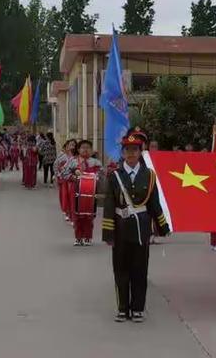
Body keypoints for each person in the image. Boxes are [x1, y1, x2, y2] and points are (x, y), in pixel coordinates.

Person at [103, 130, 170, 323]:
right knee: (120, 270)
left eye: (134, 150)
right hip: (121, 229)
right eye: (127, 150)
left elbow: (154, 204)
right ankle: (123, 308)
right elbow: (109, 205)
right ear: (122, 153)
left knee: (140, 270)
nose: (131, 154)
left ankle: (138, 308)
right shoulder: (115, 175)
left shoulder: (149, 176)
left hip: (142, 229)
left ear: (140, 152)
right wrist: (108, 233)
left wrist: (162, 227)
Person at [62, 140, 102, 246]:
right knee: (77, 215)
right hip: (76, 192)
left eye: (88, 147)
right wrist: (74, 176)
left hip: (92, 193)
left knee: (89, 216)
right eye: (83, 147)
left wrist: (97, 177)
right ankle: (78, 237)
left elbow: (102, 175)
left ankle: (88, 237)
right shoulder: (73, 161)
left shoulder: (96, 162)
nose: (85, 149)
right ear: (78, 150)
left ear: (91, 150)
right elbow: (63, 173)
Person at [54, 139, 77, 222]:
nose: (72, 146)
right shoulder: (62, 156)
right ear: (67, 146)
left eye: (74, 145)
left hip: (74, 179)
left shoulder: (76, 157)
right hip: (64, 179)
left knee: (72, 197)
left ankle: (72, 213)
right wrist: (57, 175)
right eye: (70, 145)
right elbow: (56, 165)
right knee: (65, 196)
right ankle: (67, 212)